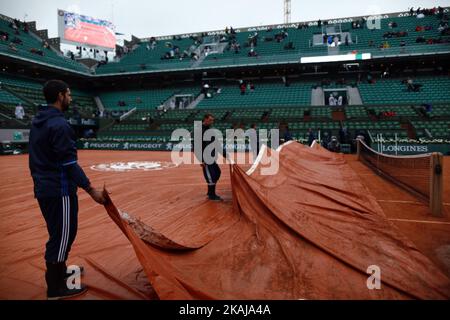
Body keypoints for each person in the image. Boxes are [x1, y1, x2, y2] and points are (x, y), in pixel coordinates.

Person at [28, 80, 106, 300]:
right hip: (59, 189)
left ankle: (60, 272)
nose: (70, 99)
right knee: (62, 236)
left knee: (60, 232)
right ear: (60, 96)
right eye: (69, 95)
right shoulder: (60, 125)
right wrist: (91, 190)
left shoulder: (38, 121)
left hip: (45, 187)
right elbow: (69, 164)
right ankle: (55, 287)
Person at [196, 114, 222, 201]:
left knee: (217, 172)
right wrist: (201, 160)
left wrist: (225, 155)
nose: (212, 121)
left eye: (212, 120)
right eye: (210, 120)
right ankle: (211, 195)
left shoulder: (210, 130)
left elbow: (216, 144)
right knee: (211, 176)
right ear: (205, 119)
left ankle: (210, 192)